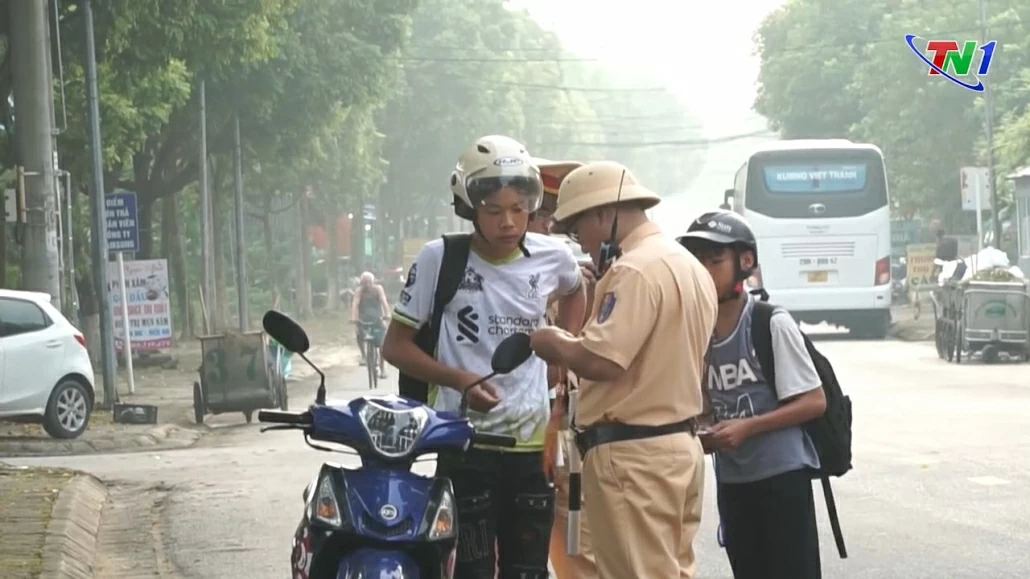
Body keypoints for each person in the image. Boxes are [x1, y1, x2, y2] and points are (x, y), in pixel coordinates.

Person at [381, 135, 586, 579]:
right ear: (468, 206)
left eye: (519, 209)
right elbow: (394, 347)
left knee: (527, 571)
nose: (509, 222)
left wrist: (562, 350)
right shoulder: (440, 258)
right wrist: (461, 381)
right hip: (464, 444)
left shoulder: (554, 254)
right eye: (494, 211)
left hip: (533, 447)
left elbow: (575, 289)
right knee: (470, 571)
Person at [528, 161, 717, 579]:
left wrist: (554, 342)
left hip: (633, 457)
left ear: (603, 213)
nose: (583, 243)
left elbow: (604, 360)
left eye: (579, 231)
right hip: (679, 448)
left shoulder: (633, 270)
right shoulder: (687, 265)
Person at [677, 210, 828, 579]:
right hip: (734, 482)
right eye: (697, 262)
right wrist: (702, 432)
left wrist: (748, 428)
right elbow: (704, 406)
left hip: (782, 478)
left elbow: (813, 401)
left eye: (715, 261)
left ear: (744, 263)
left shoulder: (769, 323)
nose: (704, 271)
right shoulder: (696, 331)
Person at [528, 158, 600, 579]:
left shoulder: (593, 282)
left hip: (569, 434)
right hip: (513, 434)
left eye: (560, 227)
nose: (549, 234)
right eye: (543, 220)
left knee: (578, 551)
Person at [351, 271, 390, 378]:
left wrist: (387, 315)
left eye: (368, 282)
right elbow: (355, 304)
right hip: (363, 319)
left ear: (373, 282)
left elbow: (384, 302)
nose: (367, 285)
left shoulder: (378, 289)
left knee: (382, 345)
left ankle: (382, 370)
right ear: (361, 283)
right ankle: (363, 355)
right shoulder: (359, 291)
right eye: (364, 282)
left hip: (377, 319)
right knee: (359, 334)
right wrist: (354, 318)